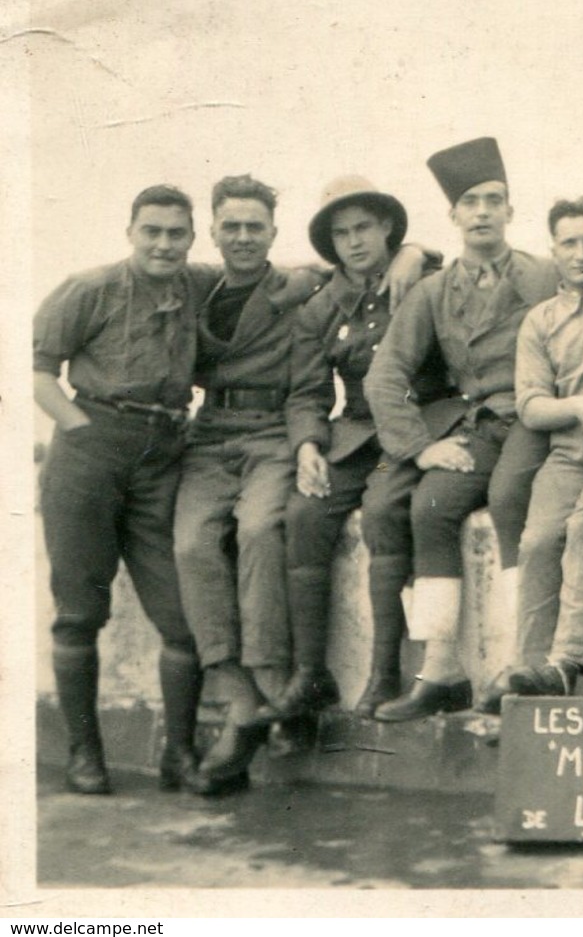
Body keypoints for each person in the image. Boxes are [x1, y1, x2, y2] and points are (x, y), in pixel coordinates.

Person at [364, 137, 561, 721]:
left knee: (508, 500)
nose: (481, 212)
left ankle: (521, 668)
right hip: (476, 427)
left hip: (532, 417)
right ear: (452, 216)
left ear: (510, 210)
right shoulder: (431, 291)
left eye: (493, 200)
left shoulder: (546, 274)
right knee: (430, 507)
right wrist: (420, 448)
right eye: (470, 202)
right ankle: (442, 673)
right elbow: (384, 375)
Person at [34, 185, 208, 794]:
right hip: (90, 452)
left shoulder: (199, 284)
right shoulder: (89, 288)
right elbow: (35, 370)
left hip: (163, 455)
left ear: (192, 236)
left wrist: (407, 254)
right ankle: (85, 755)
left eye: (176, 233)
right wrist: (81, 431)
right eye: (152, 231)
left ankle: (179, 755)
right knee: (80, 613)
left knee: (184, 620)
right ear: (130, 230)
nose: (164, 244)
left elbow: (289, 275)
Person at [174, 174, 328, 794]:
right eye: (231, 226)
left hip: (272, 433)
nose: (242, 237)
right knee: (190, 545)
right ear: (212, 230)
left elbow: (310, 388)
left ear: (272, 232)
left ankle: (268, 681)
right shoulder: (196, 290)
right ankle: (243, 695)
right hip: (209, 435)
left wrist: (307, 442)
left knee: (262, 528)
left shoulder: (298, 291)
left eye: (254, 227)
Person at [280, 176, 451, 721]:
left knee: (382, 513)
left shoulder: (424, 277)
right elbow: (307, 391)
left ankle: (384, 673)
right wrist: (308, 444)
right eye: (341, 233)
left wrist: (419, 252)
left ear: (387, 230)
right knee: (305, 513)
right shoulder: (320, 307)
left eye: (364, 228)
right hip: (355, 429)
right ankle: (311, 674)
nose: (354, 242)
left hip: (421, 420)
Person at [475, 196, 583, 712]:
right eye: (569, 242)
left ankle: (573, 674)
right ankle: (527, 671)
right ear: (554, 251)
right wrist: (576, 404)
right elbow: (530, 405)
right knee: (540, 539)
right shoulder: (542, 320)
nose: (581, 252)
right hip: (570, 451)